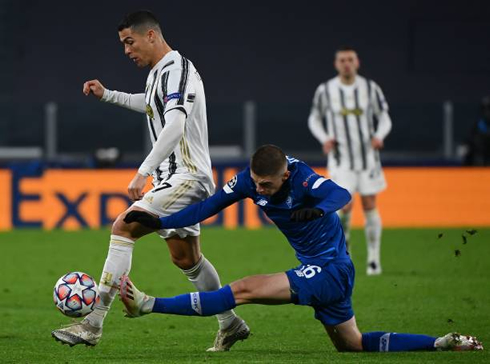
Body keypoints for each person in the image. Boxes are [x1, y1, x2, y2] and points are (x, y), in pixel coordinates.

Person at [120, 144, 483, 353]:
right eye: (257, 184)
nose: (259, 190)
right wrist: (162, 222)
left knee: (244, 289)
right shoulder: (248, 181)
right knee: (352, 345)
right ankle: (439, 343)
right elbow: (207, 207)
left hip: (329, 270)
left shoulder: (304, 177)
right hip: (330, 273)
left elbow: (341, 194)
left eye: (267, 185)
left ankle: (147, 305)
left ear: (286, 176)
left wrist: (319, 207)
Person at [51, 10, 249, 351]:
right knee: (186, 259)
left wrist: (143, 170)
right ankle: (230, 323)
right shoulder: (159, 74)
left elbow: (174, 124)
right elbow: (150, 105)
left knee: (123, 227)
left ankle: (93, 323)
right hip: (175, 178)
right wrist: (108, 94)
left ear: (152, 36)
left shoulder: (179, 69)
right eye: (123, 44)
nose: (127, 50)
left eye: (130, 42)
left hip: (186, 176)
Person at [308, 46, 392, 275]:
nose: (346, 63)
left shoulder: (369, 88)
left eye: (350, 60)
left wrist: (379, 136)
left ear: (357, 62)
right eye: (342, 60)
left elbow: (384, 116)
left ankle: (374, 259)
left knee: (369, 204)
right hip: (341, 159)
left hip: (367, 159)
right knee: (344, 205)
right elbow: (314, 118)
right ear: (336, 64)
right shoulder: (326, 90)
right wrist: (325, 138)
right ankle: (345, 253)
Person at [464, 96, 490, 166]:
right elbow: (469, 142)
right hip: (479, 160)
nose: (487, 112)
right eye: (486, 109)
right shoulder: (478, 125)